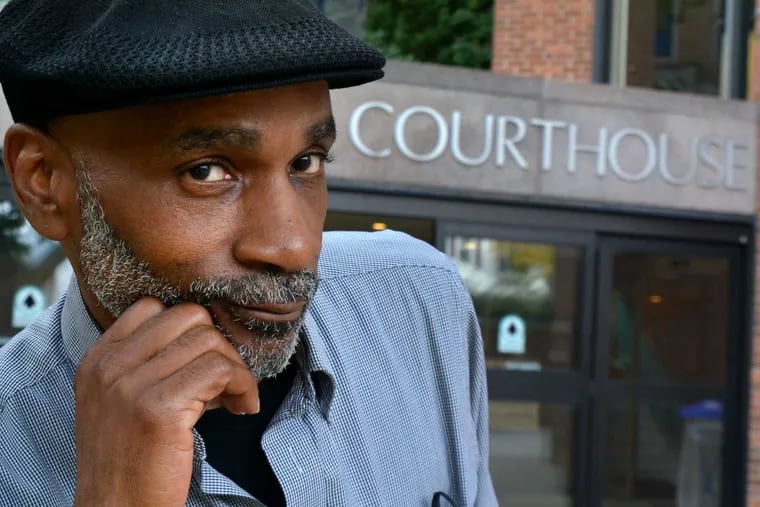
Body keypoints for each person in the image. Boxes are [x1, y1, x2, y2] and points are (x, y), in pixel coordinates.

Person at [0, 0, 496, 505]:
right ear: (43, 181)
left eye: (306, 162)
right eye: (206, 171)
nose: (296, 246)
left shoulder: (417, 302)